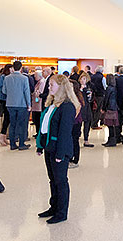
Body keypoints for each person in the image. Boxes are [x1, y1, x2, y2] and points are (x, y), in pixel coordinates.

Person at [36, 74, 79, 224]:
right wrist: (40, 145)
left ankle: (62, 212)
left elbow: (64, 132)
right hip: (49, 148)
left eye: (51, 85)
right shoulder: (53, 104)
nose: (49, 88)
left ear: (61, 87)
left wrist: (60, 153)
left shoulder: (67, 107)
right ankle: (53, 207)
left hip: (59, 150)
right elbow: (45, 127)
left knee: (61, 181)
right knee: (52, 179)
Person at [3, 61, 33, 151]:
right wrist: (29, 104)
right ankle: (21, 144)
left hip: (10, 103)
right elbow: (27, 92)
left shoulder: (6, 78)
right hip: (21, 104)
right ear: (21, 68)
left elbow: (4, 91)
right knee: (21, 124)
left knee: (12, 124)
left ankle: (12, 144)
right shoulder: (24, 78)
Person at [102, 74, 120, 147]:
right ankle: (112, 140)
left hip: (110, 108)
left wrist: (103, 108)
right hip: (115, 108)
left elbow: (106, 99)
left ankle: (111, 140)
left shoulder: (109, 89)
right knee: (113, 125)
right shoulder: (115, 88)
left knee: (110, 125)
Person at [78, 73, 95, 148]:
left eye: (84, 79)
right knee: (78, 123)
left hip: (86, 108)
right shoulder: (77, 88)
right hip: (79, 108)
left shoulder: (88, 88)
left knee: (87, 123)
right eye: (81, 78)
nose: (82, 80)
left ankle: (86, 139)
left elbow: (90, 99)